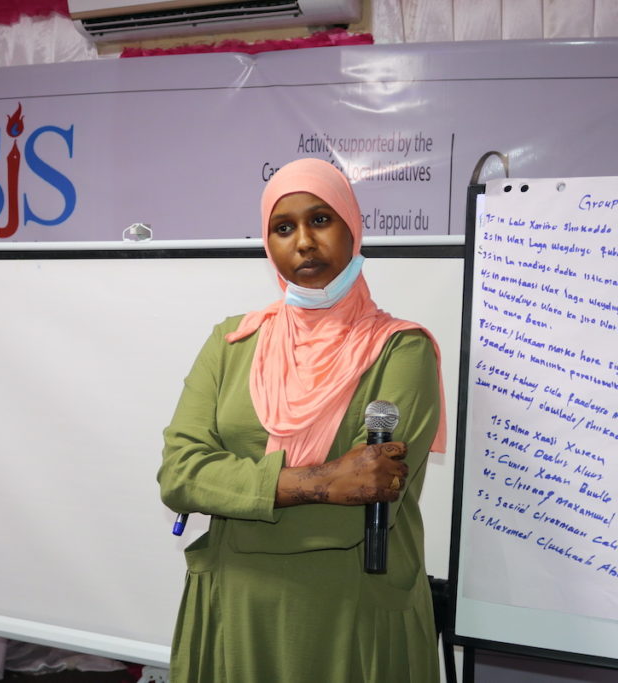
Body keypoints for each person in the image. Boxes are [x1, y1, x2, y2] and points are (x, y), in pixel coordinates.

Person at [158, 158, 447, 683]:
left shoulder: (402, 349)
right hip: (235, 604)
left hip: (350, 605)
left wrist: (240, 487)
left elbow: (368, 488)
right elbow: (180, 475)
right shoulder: (233, 342)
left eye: (320, 219)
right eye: (283, 227)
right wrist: (320, 481)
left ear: (351, 227)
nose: (304, 242)